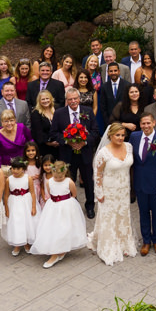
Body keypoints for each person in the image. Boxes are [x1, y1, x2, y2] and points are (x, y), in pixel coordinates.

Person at [88, 123, 139, 265]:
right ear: (110, 135)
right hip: (109, 190)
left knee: (123, 215)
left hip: (124, 189)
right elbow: (97, 173)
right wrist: (99, 192)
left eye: (123, 135)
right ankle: (108, 246)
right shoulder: (103, 153)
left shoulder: (129, 147)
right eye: (118, 135)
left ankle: (124, 243)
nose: (121, 138)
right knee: (109, 217)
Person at [30, 160, 88, 268]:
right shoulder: (49, 182)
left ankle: (59, 251)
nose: (58, 179)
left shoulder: (69, 181)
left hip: (66, 207)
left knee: (65, 228)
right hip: (52, 207)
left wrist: (65, 204)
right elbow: (50, 192)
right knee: (53, 228)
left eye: (60, 177)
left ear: (65, 173)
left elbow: (74, 194)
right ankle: (55, 252)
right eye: (56, 177)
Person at [51, 87, 97, 219]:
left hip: (85, 153)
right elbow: (54, 133)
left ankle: (90, 206)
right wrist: (67, 141)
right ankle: (73, 206)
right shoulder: (59, 113)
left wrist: (84, 142)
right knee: (69, 181)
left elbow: (95, 131)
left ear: (79, 98)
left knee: (88, 181)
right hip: (67, 153)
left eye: (75, 98)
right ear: (66, 100)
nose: (73, 101)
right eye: (70, 99)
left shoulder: (87, 111)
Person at [131, 114, 156, 255]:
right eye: (143, 123)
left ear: (154, 123)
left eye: (148, 123)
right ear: (140, 124)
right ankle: (146, 241)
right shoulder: (134, 137)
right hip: (140, 184)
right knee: (143, 214)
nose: (146, 126)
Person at [2, 158, 36, 257]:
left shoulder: (28, 178)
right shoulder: (9, 179)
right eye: (13, 168)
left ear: (23, 169)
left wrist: (33, 207)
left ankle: (26, 242)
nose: (15, 171)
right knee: (16, 222)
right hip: (14, 203)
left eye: (18, 169)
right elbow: (6, 195)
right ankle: (17, 244)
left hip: (26, 202)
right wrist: (7, 209)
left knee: (26, 222)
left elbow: (33, 193)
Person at [29, 89, 58, 163]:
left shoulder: (57, 109)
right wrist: (49, 143)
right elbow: (37, 132)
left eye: (47, 98)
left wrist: (59, 140)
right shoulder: (36, 113)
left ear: (51, 99)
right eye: (43, 99)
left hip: (59, 146)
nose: (45, 101)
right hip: (44, 147)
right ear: (39, 101)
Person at [98, 61, 127, 126]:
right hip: (109, 122)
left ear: (119, 71)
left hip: (124, 122)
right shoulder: (104, 87)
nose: (113, 73)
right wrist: (108, 123)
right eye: (111, 71)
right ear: (108, 73)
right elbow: (103, 107)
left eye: (115, 70)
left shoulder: (127, 85)